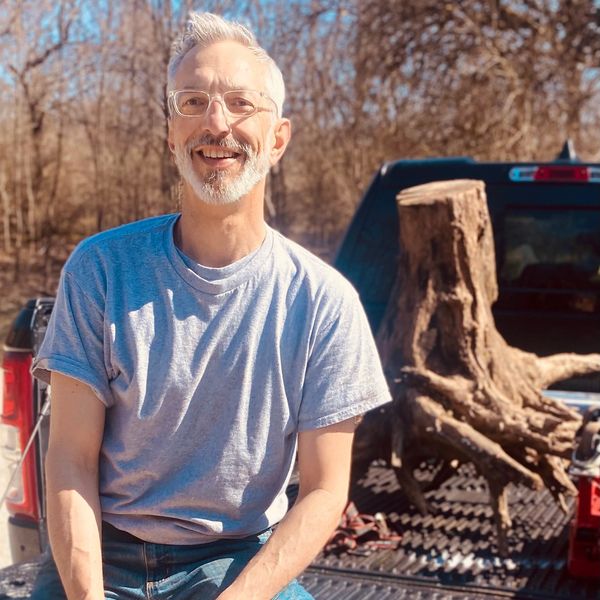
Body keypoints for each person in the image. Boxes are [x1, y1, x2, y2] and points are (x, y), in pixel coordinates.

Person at [30, 11, 391, 600]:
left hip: (238, 560)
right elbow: (69, 457)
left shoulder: (325, 302)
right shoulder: (100, 269)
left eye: (240, 103)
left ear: (279, 137)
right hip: (104, 550)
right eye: (192, 102)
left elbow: (326, 489)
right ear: (171, 132)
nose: (215, 123)